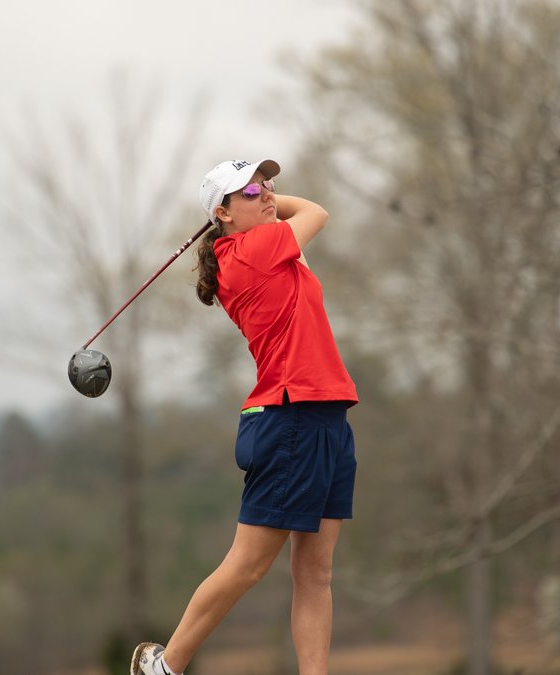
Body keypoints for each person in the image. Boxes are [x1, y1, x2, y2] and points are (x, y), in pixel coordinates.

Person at [131, 159, 358, 675]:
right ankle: (166, 667)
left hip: (323, 415)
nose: (267, 193)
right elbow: (317, 212)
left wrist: (264, 199)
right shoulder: (249, 251)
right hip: (290, 417)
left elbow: (299, 219)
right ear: (222, 213)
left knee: (316, 573)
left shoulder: (269, 248)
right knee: (249, 564)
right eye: (250, 190)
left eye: (268, 183)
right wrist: (275, 203)